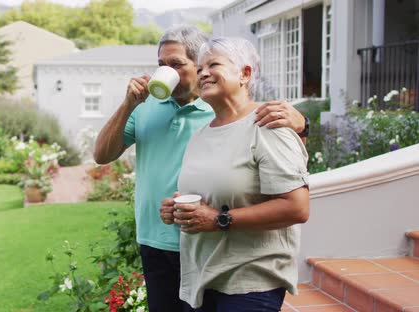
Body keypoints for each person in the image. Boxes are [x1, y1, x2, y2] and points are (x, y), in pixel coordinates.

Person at [94, 25, 308, 312]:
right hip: (162, 241)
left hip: (221, 253)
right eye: (161, 65)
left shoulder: (231, 113)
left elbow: (292, 182)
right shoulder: (162, 114)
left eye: (177, 64)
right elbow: (102, 154)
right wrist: (128, 105)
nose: (166, 71)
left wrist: (304, 126)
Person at [160, 36, 310, 311]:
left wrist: (220, 220)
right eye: (201, 67)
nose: (203, 72)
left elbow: (296, 207)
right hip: (202, 280)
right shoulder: (201, 135)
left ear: (245, 73)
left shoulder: (268, 124)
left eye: (213, 64)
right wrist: (176, 209)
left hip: (249, 282)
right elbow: (208, 197)